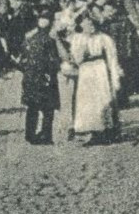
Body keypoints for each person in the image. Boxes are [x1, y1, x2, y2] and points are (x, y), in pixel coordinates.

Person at [68, 12, 122, 144]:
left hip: (100, 70)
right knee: (87, 100)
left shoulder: (104, 38)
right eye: (86, 23)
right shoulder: (77, 39)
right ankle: (92, 131)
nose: (90, 26)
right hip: (86, 71)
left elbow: (112, 58)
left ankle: (107, 131)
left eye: (91, 23)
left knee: (102, 99)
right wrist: (83, 47)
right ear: (81, 25)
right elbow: (77, 59)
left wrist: (115, 77)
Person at [20, 10, 61, 144]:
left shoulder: (29, 37)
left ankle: (30, 134)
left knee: (32, 107)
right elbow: (54, 60)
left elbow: (22, 59)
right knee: (48, 108)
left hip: (30, 76)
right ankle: (46, 134)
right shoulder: (51, 38)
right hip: (46, 76)